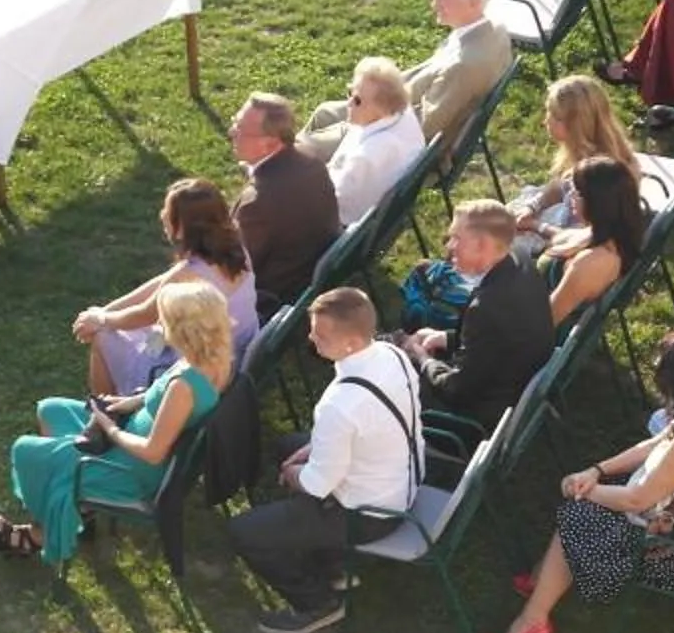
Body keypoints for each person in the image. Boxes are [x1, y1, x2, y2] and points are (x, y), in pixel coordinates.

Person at [486, 330, 674, 633]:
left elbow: (636, 500)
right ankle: (542, 583)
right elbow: (654, 445)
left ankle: (533, 618)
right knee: (597, 498)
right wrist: (597, 471)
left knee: (580, 515)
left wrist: (586, 489)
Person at [0, 279, 232, 567]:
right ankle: (75, 508)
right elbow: (167, 398)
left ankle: (41, 534)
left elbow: (153, 451)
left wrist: (111, 429)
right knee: (50, 410)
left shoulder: (186, 386)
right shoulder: (213, 357)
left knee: (25, 450)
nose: (160, 322)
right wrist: (132, 402)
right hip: (133, 429)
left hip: (132, 467)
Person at [233, 287, 422, 633]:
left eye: (320, 335)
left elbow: (318, 484)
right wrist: (312, 450)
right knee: (288, 444)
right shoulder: (390, 353)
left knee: (245, 532)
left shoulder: (339, 403)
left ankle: (318, 604)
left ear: (350, 342)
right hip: (401, 477)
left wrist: (294, 473)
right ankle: (334, 564)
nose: (310, 339)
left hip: (370, 515)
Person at [402, 201, 550, 481]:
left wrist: (422, 358)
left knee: (395, 373)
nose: (449, 246)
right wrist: (444, 338)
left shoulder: (487, 307)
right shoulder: (519, 259)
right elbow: (498, 339)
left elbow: (457, 390)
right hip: (511, 378)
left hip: (481, 417)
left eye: (457, 238)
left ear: (482, 245)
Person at [71, 178, 258, 396]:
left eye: (167, 211)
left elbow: (144, 314)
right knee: (115, 326)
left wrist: (101, 321)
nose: (162, 215)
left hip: (200, 368)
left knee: (102, 336)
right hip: (233, 348)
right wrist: (106, 310)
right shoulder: (233, 249)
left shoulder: (191, 273)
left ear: (184, 225)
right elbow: (163, 282)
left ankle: (106, 411)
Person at [227, 93, 338, 319]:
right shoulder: (310, 159)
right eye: (235, 123)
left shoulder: (256, 204)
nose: (232, 133)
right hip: (309, 270)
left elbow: (231, 268)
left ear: (271, 143)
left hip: (273, 296)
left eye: (241, 130)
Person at [506, 73, 643, 244]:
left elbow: (585, 237)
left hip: (567, 243)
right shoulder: (583, 154)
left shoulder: (598, 177)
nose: (546, 120)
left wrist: (534, 225)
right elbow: (558, 186)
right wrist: (532, 207)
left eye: (555, 116)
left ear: (577, 126)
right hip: (554, 224)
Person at [400, 0, 516, 155]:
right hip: (392, 103)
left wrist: (373, 108)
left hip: (391, 137)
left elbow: (425, 129)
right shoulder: (493, 30)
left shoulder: (464, 66)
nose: (434, 5)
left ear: (473, 2)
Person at [541, 156, 655, 335]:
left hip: (531, 340)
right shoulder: (604, 234)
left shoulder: (592, 263)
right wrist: (535, 226)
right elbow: (566, 237)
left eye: (576, 192)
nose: (569, 197)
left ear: (598, 202)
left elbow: (545, 322)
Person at [313, 57, 427, 226]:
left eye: (357, 100)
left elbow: (332, 206)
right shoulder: (403, 115)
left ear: (382, 108)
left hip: (341, 231)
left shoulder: (365, 157)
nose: (349, 103)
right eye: (349, 92)